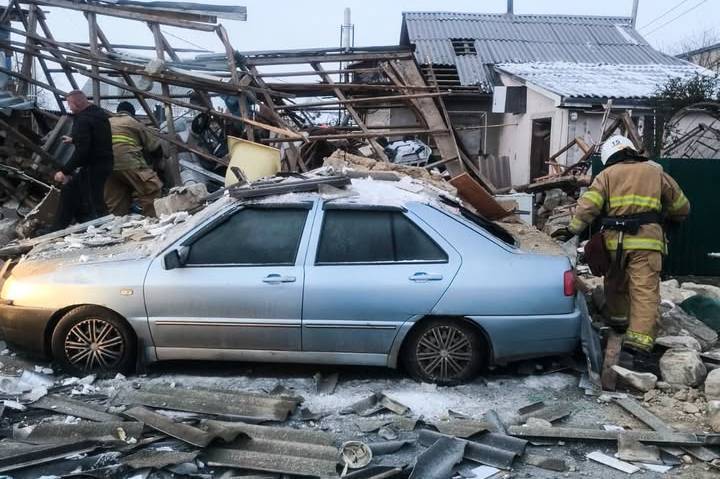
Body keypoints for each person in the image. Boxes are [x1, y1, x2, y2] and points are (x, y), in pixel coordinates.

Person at [555, 135, 690, 367]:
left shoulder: (606, 175)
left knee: (615, 280)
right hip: (646, 242)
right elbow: (681, 206)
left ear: (610, 157)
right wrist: (670, 216)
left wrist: (570, 230)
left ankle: (618, 323)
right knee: (644, 290)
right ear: (631, 150)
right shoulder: (655, 171)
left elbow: (588, 206)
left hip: (613, 242)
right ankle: (637, 345)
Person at [53, 90, 113, 230]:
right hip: (105, 163)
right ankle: (57, 228)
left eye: (70, 104)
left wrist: (64, 171)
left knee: (94, 202)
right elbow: (95, 139)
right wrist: (75, 139)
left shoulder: (82, 119)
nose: (70, 108)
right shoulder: (99, 114)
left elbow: (82, 152)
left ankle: (103, 230)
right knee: (70, 190)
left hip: (93, 166)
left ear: (77, 103)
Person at [105, 101, 164, 216]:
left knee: (117, 200)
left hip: (107, 166)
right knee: (152, 188)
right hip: (128, 161)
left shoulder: (107, 122)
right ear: (133, 113)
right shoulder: (133, 122)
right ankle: (151, 221)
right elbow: (154, 147)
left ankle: (117, 226)